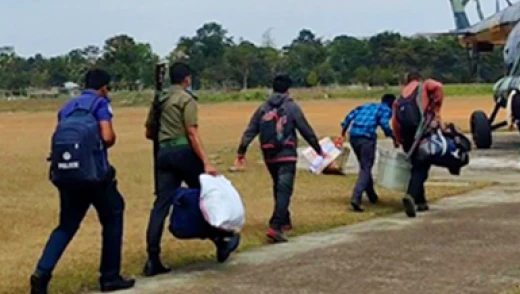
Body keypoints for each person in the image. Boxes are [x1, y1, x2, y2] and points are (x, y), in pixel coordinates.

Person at [31, 69, 135, 293]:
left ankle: (42, 272)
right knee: (113, 216)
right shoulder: (99, 104)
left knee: (66, 225)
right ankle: (110, 276)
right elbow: (107, 136)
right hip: (96, 176)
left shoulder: (67, 108)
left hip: (68, 175)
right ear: (104, 88)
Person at [143, 62, 240, 277]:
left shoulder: (160, 99)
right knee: (207, 196)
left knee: (160, 205)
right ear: (186, 79)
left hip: (163, 153)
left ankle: (152, 257)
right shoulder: (186, 99)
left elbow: (149, 132)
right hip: (183, 151)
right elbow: (191, 133)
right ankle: (221, 238)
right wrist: (206, 161)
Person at [234, 74, 324, 243]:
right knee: (284, 190)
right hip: (286, 154)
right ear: (288, 90)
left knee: (279, 187)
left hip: (269, 155)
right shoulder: (292, 107)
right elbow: (305, 129)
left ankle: (285, 220)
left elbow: (250, 130)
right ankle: (275, 226)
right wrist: (318, 149)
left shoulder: (263, 108)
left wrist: (241, 151)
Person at [391, 71, 444, 218]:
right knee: (421, 168)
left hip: (407, 139)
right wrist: (437, 107)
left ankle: (421, 202)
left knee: (414, 166)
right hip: (421, 134)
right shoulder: (424, 86)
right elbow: (438, 86)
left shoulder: (400, 98)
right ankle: (411, 195)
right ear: (418, 79)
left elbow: (395, 122)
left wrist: (397, 139)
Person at [339, 94, 396, 212]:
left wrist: (343, 133)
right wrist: (393, 137)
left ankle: (372, 196)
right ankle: (356, 197)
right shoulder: (385, 109)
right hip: (367, 139)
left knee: (365, 166)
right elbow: (385, 124)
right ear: (392, 104)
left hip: (354, 137)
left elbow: (349, 117)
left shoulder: (366, 106)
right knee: (366, 168)